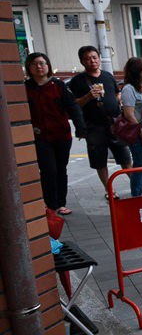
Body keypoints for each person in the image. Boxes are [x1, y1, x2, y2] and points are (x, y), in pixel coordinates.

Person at [25, 52, 85, 215]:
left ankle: (60, 203)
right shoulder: (26, 88)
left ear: (48, 66)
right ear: (29, 67)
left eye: (42, 63)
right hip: (40, 137)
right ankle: (50, 205)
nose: (39, 66)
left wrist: (80, 128)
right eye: (35, 64)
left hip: (61, 135)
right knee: (48, 170)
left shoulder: (58, 86)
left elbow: (73, 107)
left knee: (60, 169)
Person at [68, 46, 132, 198]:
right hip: (94, 126)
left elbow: (117, 94)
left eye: (94, 57)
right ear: (82, 61)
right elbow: (75, 104)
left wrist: (119, 103)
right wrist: (88, 97)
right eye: (88, 58)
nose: (92, 61)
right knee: (100, 160)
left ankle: (135, 183)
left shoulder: (107, 76)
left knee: (124, 156)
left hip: (114, 123)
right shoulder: (77, 81)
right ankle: (108, 190)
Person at [120, 57, 142, 197]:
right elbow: (129, 115)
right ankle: (137, 197)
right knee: (140, 168)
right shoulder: (129, 89)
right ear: (137, 71)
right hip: (140, 135)